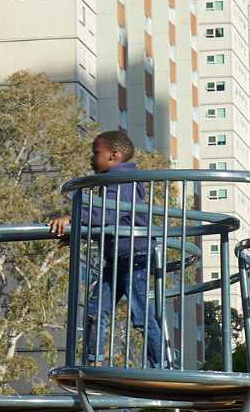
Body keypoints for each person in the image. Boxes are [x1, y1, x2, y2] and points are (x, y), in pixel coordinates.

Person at [48, 129, 168, 369]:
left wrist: (72, 218)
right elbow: (110, 221)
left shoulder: (121, 180)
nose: (92, 158)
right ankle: (93, 361)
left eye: (96, 153)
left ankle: (162, 365)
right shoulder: (114, 180)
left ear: (113, 155)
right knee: (94, 309)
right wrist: (79, 234)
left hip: (135, 258)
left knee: (141, 317)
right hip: (118, 260)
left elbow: (107, 214)